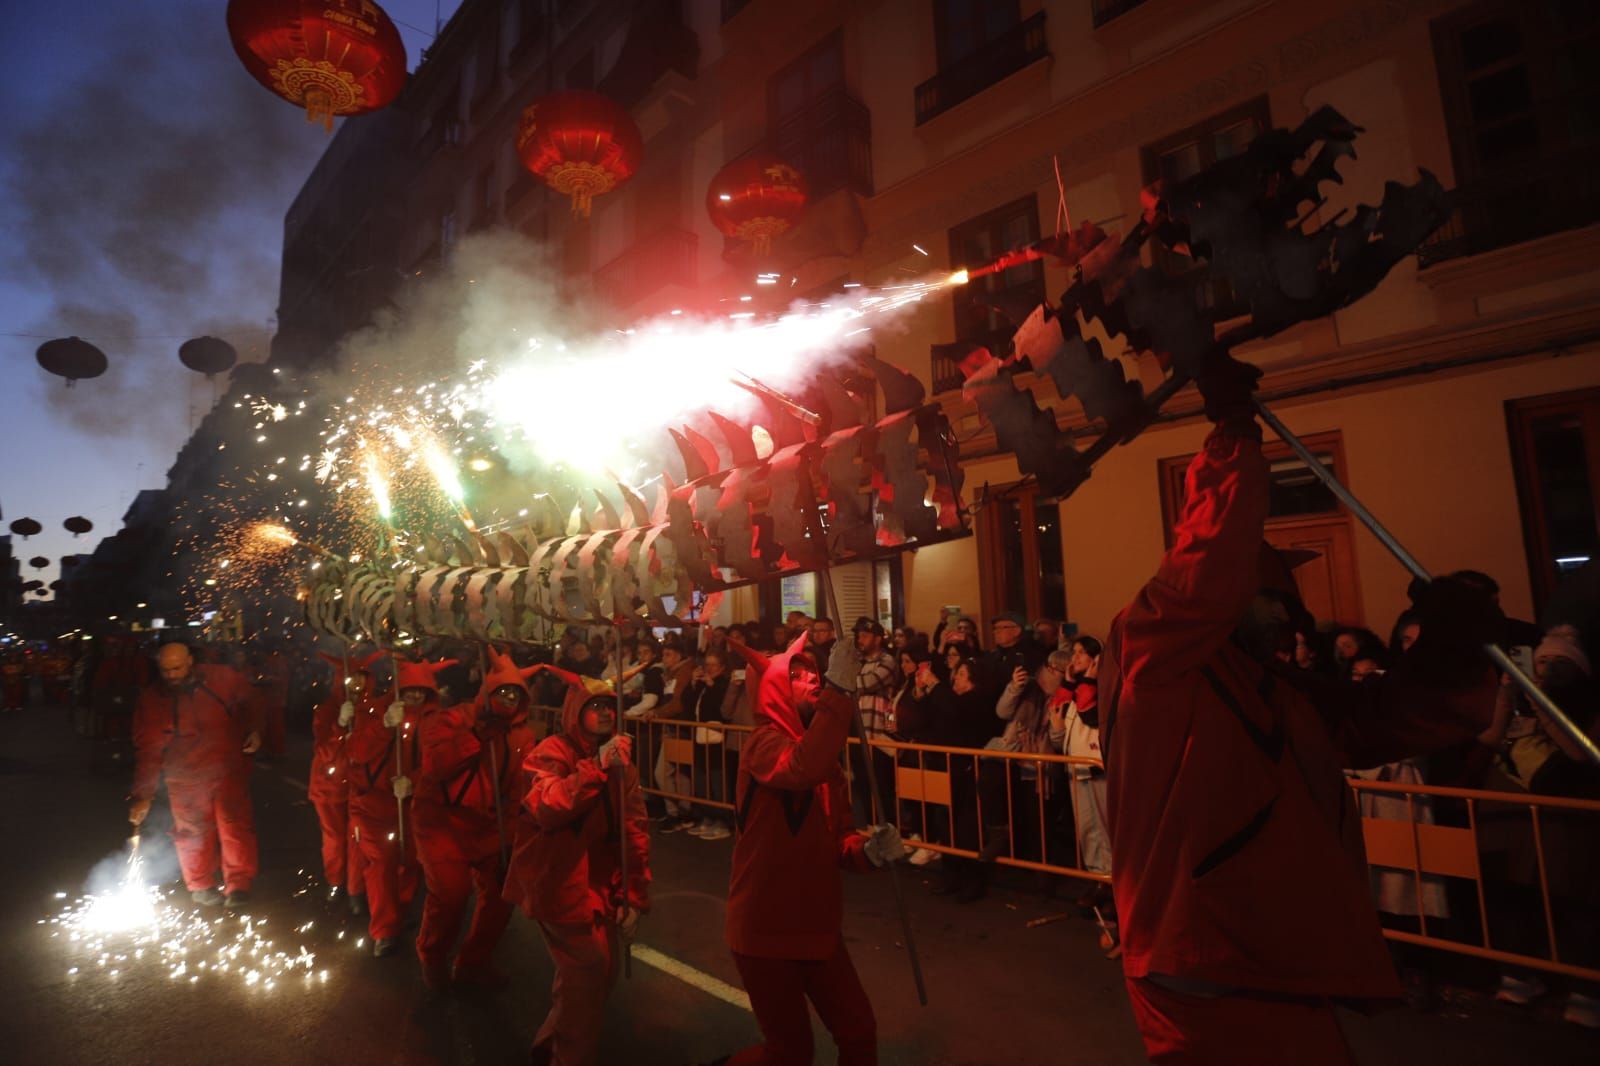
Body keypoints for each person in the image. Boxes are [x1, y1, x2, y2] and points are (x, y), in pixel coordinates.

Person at [1100, 360, 1503, 1064]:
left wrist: (1455, 650)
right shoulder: (1154, 661)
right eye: (1273, 601)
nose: (1289, 621)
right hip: (1201, 953)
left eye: (1293, 606)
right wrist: (1230, 441)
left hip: (1279, 952)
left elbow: (1388, 718)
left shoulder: (1282, 688)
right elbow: (1206, 569)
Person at [706, 633, 906, 1066]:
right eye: (798, 675)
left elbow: (839, 841)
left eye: (816, 674)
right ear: (774, 688)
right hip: (765, 929)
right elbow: (800, 768)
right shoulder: (762, 744)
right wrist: (838, 694)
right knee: (789, 1053)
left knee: (858, 1033)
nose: (813, 681)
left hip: (818, 928)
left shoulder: (826, 761)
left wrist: (868, 851)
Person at [504, 668, 649, 1066]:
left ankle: (551, 1044)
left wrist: (633, 895)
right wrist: (595, 767)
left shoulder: (622, 762)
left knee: (597, 976)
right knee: (588, 968)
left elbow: (633, 829)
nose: (605, 713)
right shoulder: (551, 751)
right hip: (559, 883)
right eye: (595, 706)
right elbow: (549, 806)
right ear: (575, 711)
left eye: (609, 706)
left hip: (600, 884)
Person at [413, 649, 541, 989]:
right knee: (451, 897)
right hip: (441, 822)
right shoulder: (452, 719)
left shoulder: (521, 736)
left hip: (489, 826)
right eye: (503, 691)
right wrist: (475, 738)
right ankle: (433, 957)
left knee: (502, 896)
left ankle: (472, 962)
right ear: (488, 691)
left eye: (516, 693)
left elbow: (517, 792)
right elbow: (436, 766)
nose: (509, 697)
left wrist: (510, 841)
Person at [128, 642, 261, 907]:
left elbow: (251, 701)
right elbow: (149, 752)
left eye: (177, 668)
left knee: (234, 827)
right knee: (191, 832)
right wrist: (143, 795)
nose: (172, 676)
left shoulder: (221, 678)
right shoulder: (153, 700)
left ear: (190, 661)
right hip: (184, 777)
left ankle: (238, 884)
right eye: (165, 671)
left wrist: (256, 729)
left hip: (226, 770)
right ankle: (201, 884)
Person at [347, 658, 452, 957]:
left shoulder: (437, 720)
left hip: (414, 805)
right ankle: (385, 929)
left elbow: (441, 761)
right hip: (374, 804)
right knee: (381, 864)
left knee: (410, 861)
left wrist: (415, 782)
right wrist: (382, 726)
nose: (415, 696)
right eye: (409, 689)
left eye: (421, 690)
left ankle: (399, 911)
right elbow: (356, 752)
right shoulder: (377, 710)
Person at [310, 650, 382, 914]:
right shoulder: (326, 710)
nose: (358, 684)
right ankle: (336, 881)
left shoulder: (372, 709)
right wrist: (340, 723)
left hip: (359, 786)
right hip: (328, 788)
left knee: (356, 840)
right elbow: (324, 752)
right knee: (334, 839)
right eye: (353, 678)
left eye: (362, 678)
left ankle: (355, 890)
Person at [848, 616, 899, 829]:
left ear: (878, 639)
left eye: (865, 635)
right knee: (862, 782)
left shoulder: (886, 661)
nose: (860, 639)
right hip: (858, 730)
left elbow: (868, 682)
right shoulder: (855, 661)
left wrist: (851, 683)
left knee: (882, 784)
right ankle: (870, 826)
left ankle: (889, 827)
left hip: (878, 732)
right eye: (859, 635)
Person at [683, 650, 735, 840]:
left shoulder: (723, 684)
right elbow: (687, 705)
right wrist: (693, 684)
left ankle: (722, 820)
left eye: (713, 664)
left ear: (722, 667)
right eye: (707, 664)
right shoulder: (702, 684)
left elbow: (722, 711)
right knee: (701, 777)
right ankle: (707, 816)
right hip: (699, 736)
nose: (709, 668)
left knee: (717, 778)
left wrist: (712, 687)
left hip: (716, 738)